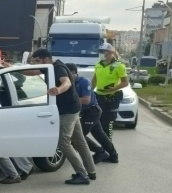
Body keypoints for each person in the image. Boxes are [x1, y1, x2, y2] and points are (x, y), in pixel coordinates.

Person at [27, 49, 96, 184]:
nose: (35, 64)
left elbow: (67, 83)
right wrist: (11, 68)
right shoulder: (48, 67)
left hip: (68, 110)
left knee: (63, 143)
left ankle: (82, 174)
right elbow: (33, 72)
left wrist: (58, 89)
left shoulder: (58, 68)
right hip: (73, 108)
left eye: (37, 61)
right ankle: (91, 171)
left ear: (46, 59)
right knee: (80, 141)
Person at [67, 63, 119, 163]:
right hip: (84, 112)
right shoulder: (69, 82)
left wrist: (70, 101)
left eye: (66, 73)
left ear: (73, 72)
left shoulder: (83, 82)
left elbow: (86, 100)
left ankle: (100, 152)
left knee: (77, 136)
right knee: (99, 135)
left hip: (92, 111)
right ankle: (113, 155)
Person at [92, 43, 128, 141]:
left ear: (110, 52)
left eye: (102, 52)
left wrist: (113, 88)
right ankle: (104, 149)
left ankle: (109, 151)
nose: (100, 54)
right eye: (99, 52)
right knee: (98, 125)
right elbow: (95, 79)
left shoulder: (119, 66)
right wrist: (90, 91)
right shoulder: (98, 64)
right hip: (99, 97)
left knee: (108, 125)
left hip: (111, 98)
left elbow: (125, 83)